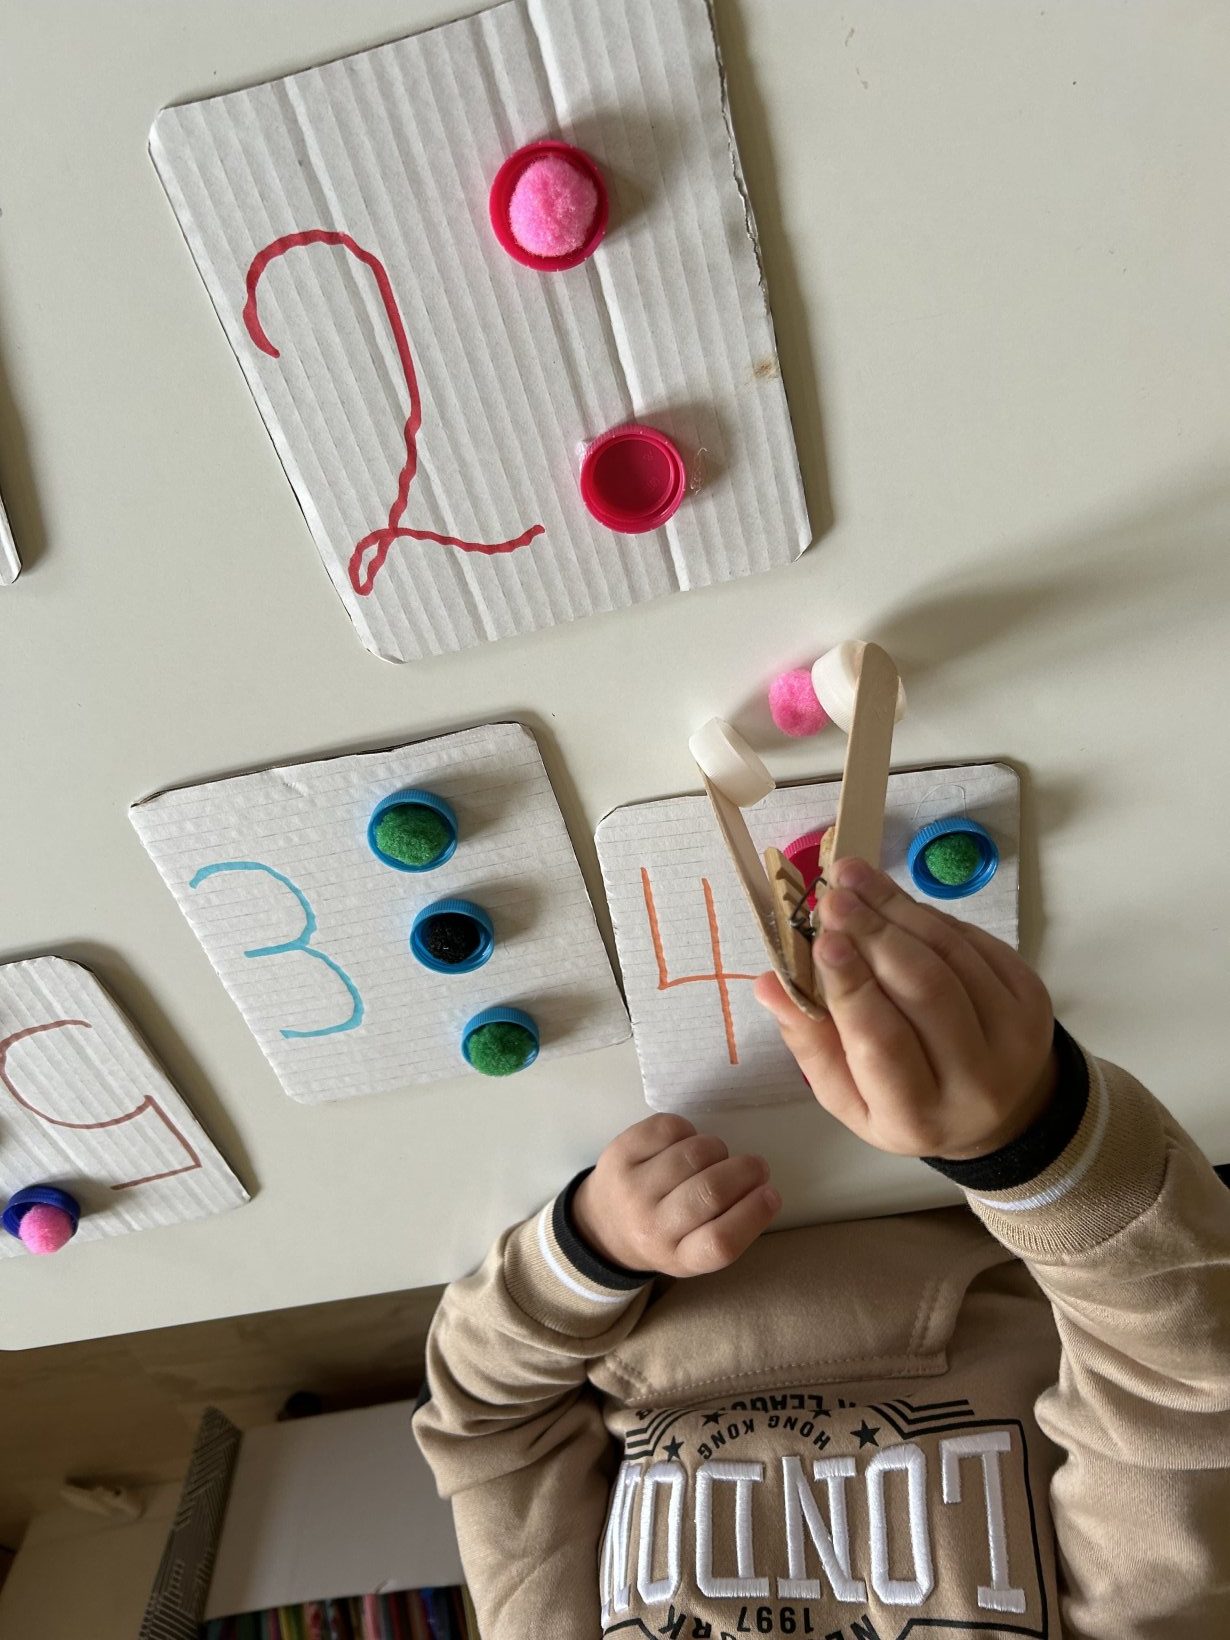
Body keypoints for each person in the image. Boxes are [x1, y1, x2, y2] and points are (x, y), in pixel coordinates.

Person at [413, 857, 1230, 1638]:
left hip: (638, 1156)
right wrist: (1029, 1142)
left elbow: (482, 1428)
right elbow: (1183, 1390)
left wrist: (589, 1253)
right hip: (993, 1145)